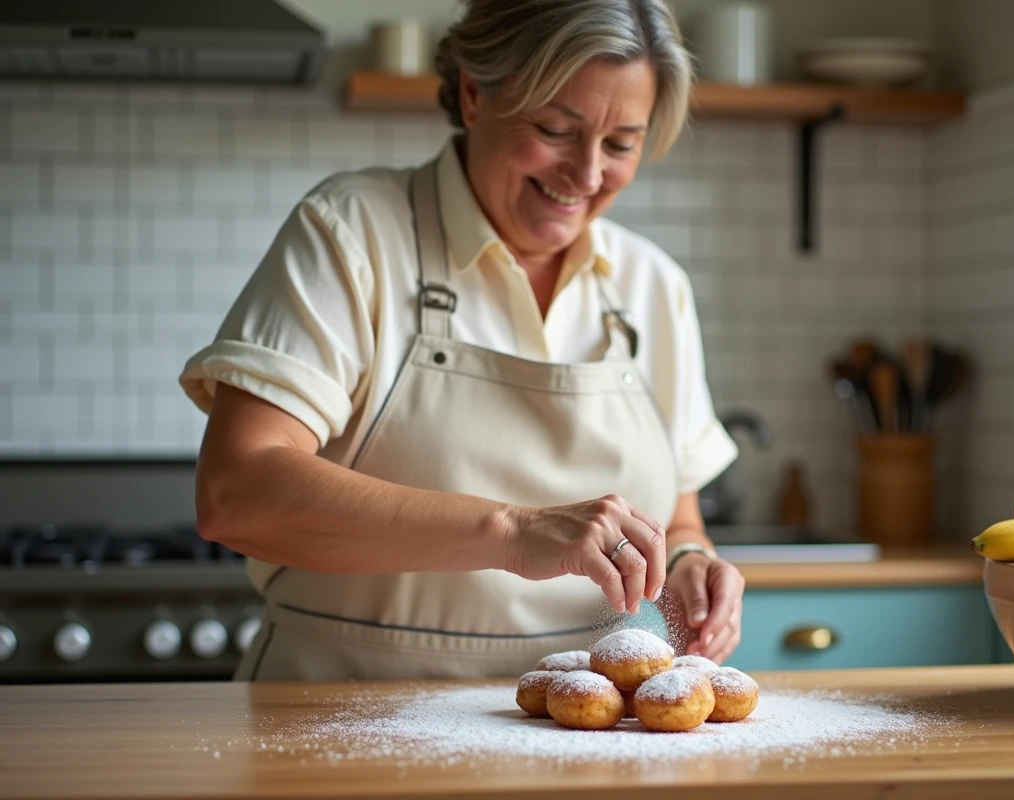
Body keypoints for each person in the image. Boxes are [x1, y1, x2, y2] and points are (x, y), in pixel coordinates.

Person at [180, 0, 744, 681]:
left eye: (622, 143)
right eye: (556, 129)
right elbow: (237, 492)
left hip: (584, 745)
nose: (588, 174)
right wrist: (513, 532)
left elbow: (678, 514)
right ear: (476, 95)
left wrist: (688, 562)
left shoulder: (652, 286)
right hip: (340, 721)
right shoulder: (355, 233)